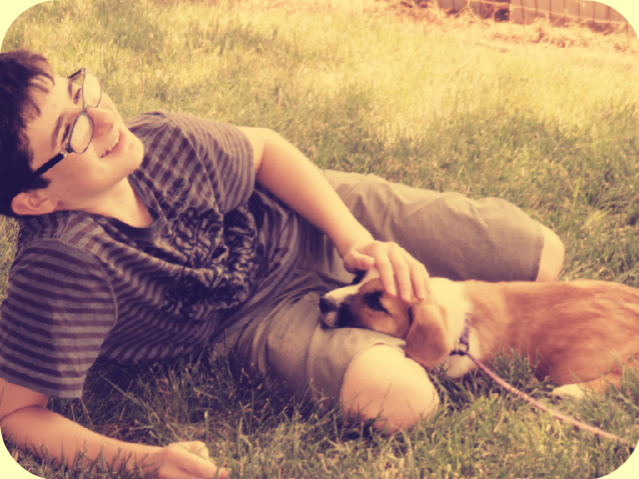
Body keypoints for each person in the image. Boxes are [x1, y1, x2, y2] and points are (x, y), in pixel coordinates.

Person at [0, 49, 565, 479]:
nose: (101, 117)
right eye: (71, 131)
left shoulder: (163, 140)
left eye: (82, 92)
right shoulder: (66, 267)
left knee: (540, 253)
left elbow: (266, 150)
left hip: (308, 222)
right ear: (35, 199)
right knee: (405, 400)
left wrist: (357, 242)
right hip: (250, 318)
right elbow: (15, 415)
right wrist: (146, 462)